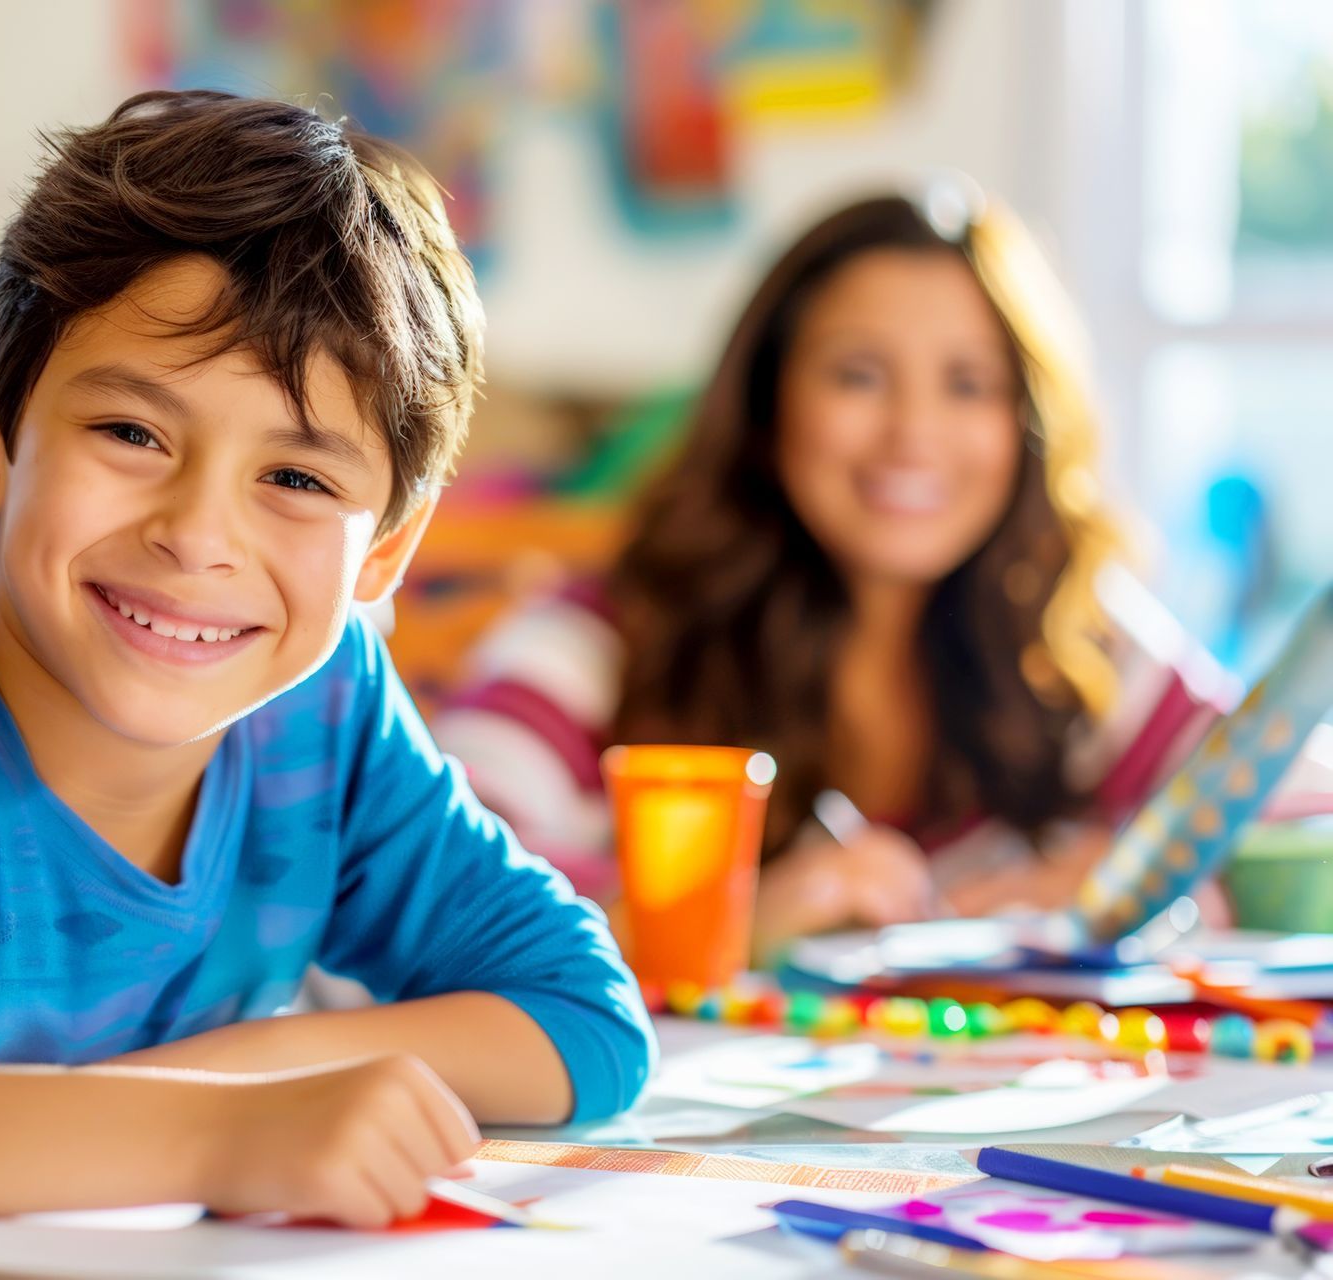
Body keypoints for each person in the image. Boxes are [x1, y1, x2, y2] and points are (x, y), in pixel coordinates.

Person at [0, 90, 653, 1231]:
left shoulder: (326, 714)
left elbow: (586, 1021)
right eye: (132, 434)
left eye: (295, 479)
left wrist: (243, 1075)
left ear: (386, 547)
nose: (197, 535)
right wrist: (217, 1131)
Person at [434, 185, 1233, 963]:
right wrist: (730, 917)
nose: (913, 434)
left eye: (969, 385)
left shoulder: (1074, 639)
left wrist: (1146, 890)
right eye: (859, 375)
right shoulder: (604, 636)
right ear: (767, 400)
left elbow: (1303, 829)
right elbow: (428, 880)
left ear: (1028, 424)